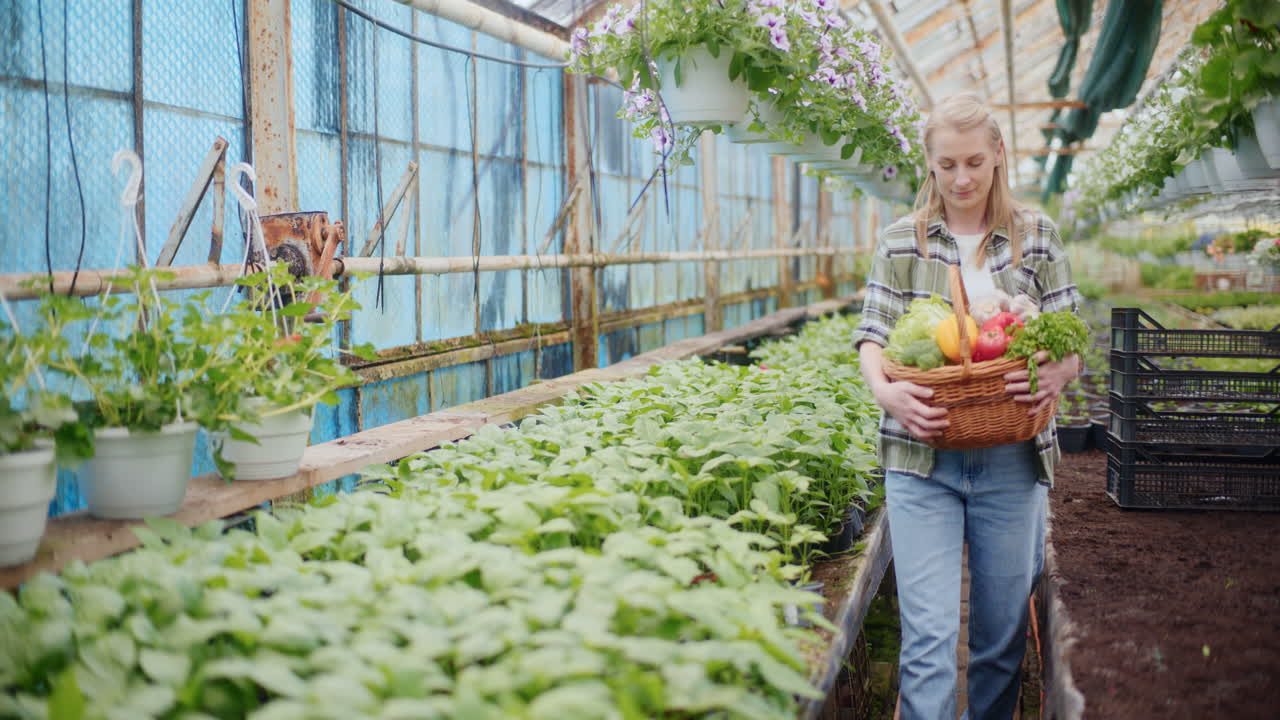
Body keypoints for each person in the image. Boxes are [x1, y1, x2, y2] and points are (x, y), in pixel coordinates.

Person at [852, 94, 1083, 720]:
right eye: (947, 164)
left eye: (975, 162)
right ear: (929, 164)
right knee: (928, 640)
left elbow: (1071, 343)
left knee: (1001, 642)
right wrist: (887, 390)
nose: (962, 179)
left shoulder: (1037, 237)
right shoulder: (903, 240)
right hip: (919, 457)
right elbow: (872, 336)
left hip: (1011, 459)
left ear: (999, 155)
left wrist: (1060, 371)